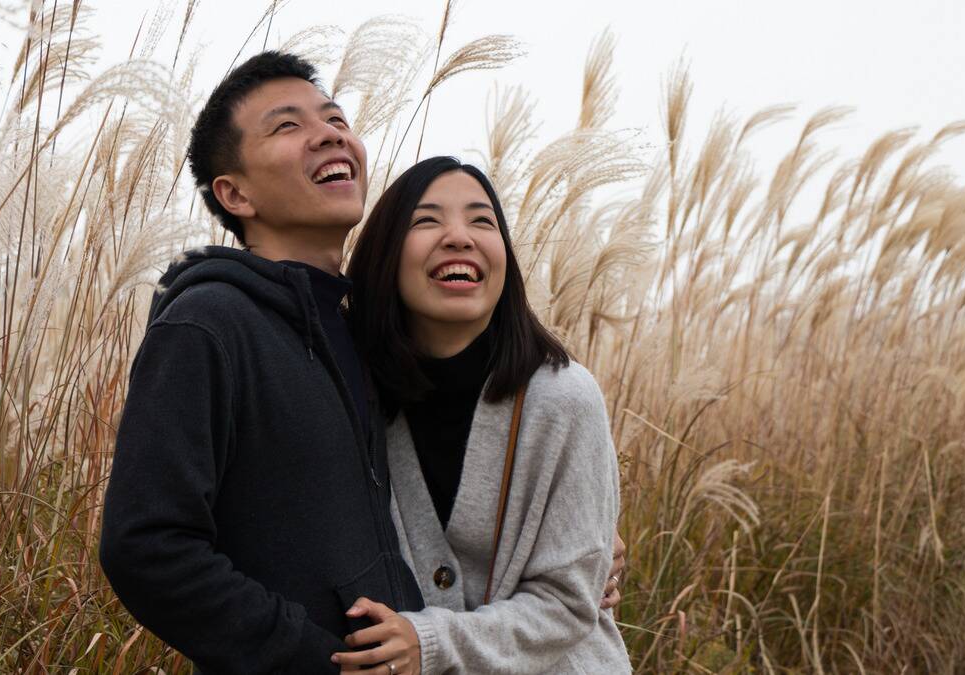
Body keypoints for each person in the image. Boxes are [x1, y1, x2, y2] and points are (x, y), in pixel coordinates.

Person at [99, 51, 624, 674]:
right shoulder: (209, 324)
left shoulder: (362, 345)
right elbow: (146, 546)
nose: (329, 133)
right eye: (287, 126)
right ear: (234, 193)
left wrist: (583, 546)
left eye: (335, 118)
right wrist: (319, 658)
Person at [337, 156, 633, 674]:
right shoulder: (353, 399)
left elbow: (567, 604)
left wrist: (426, 643)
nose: (459, 237)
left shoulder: (564, 399)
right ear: (385, 253)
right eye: (427, 220)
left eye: (482, 220)